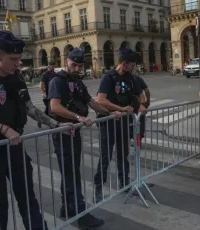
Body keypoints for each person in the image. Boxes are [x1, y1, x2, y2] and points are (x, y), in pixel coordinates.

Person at [0, 30, 70, 230]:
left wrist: (55, 125)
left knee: (28, 197)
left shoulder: (16, 79)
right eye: (14, 59)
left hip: (14, 148)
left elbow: (30, 108)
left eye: (19, 58)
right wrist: (2, 128)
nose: (19, 63)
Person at [48, 47, 118, 229]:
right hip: (63, 132)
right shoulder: (58, 81)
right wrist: (78, 118)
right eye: (74, 65)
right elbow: (54, 107)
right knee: (72, 173)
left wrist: (112, 111)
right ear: (66, 62)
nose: (77, 69)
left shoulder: (77, 83)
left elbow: (92, 103)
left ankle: (67, 206)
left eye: (80, 66)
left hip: (74, 132)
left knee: (70, 172)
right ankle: (81, 214)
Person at [93, 48, 147, 202]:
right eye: (132, 65)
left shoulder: (131, 78)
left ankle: (124, 183)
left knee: (123, 155)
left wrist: (138, 104)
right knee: (105, 157)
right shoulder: (108, 78)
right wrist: (121, 109)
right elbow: (101, 100)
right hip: (108, 123)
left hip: (124, 123)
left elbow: (141, 96)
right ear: (124, 64)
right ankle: (98, 187)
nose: (134, 67)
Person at [38, 61, 56, 128]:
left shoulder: (54, 73)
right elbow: (41, 84)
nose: (53, 67)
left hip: (53, 94)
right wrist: (43, 93)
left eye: (54, 66)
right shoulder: (45, 74)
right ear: (48, 66)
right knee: (49, 109)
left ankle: (40, 120)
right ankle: (51, 124)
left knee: (48, 109)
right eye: (52, 66)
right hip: (47, 95)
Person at [134, 74, 150, 141]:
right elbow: (146, 90)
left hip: (130, 105)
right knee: (141, 121)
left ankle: (136, 141)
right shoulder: (138, 78)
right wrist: (148, 100)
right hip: (141, 104)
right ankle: (139, 140)